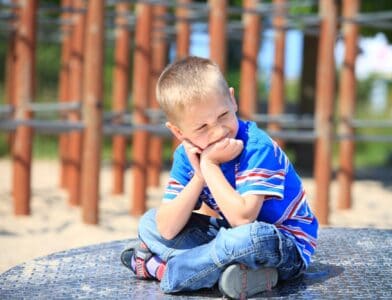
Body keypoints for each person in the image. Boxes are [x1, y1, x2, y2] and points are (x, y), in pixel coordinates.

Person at [121, 56, 318, 299]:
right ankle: (240, 274)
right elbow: (167, 228)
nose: (218, 131)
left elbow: (243, 220)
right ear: (178, 132)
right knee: (149, 223)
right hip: (230, 238)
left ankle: (164, 270)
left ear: (232, 100)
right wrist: (199, 177)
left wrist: (211, 165)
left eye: (223, 115)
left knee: (247, 239)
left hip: (283, 244)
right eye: (202, 128)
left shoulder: (257, 146)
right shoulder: (186, 155)